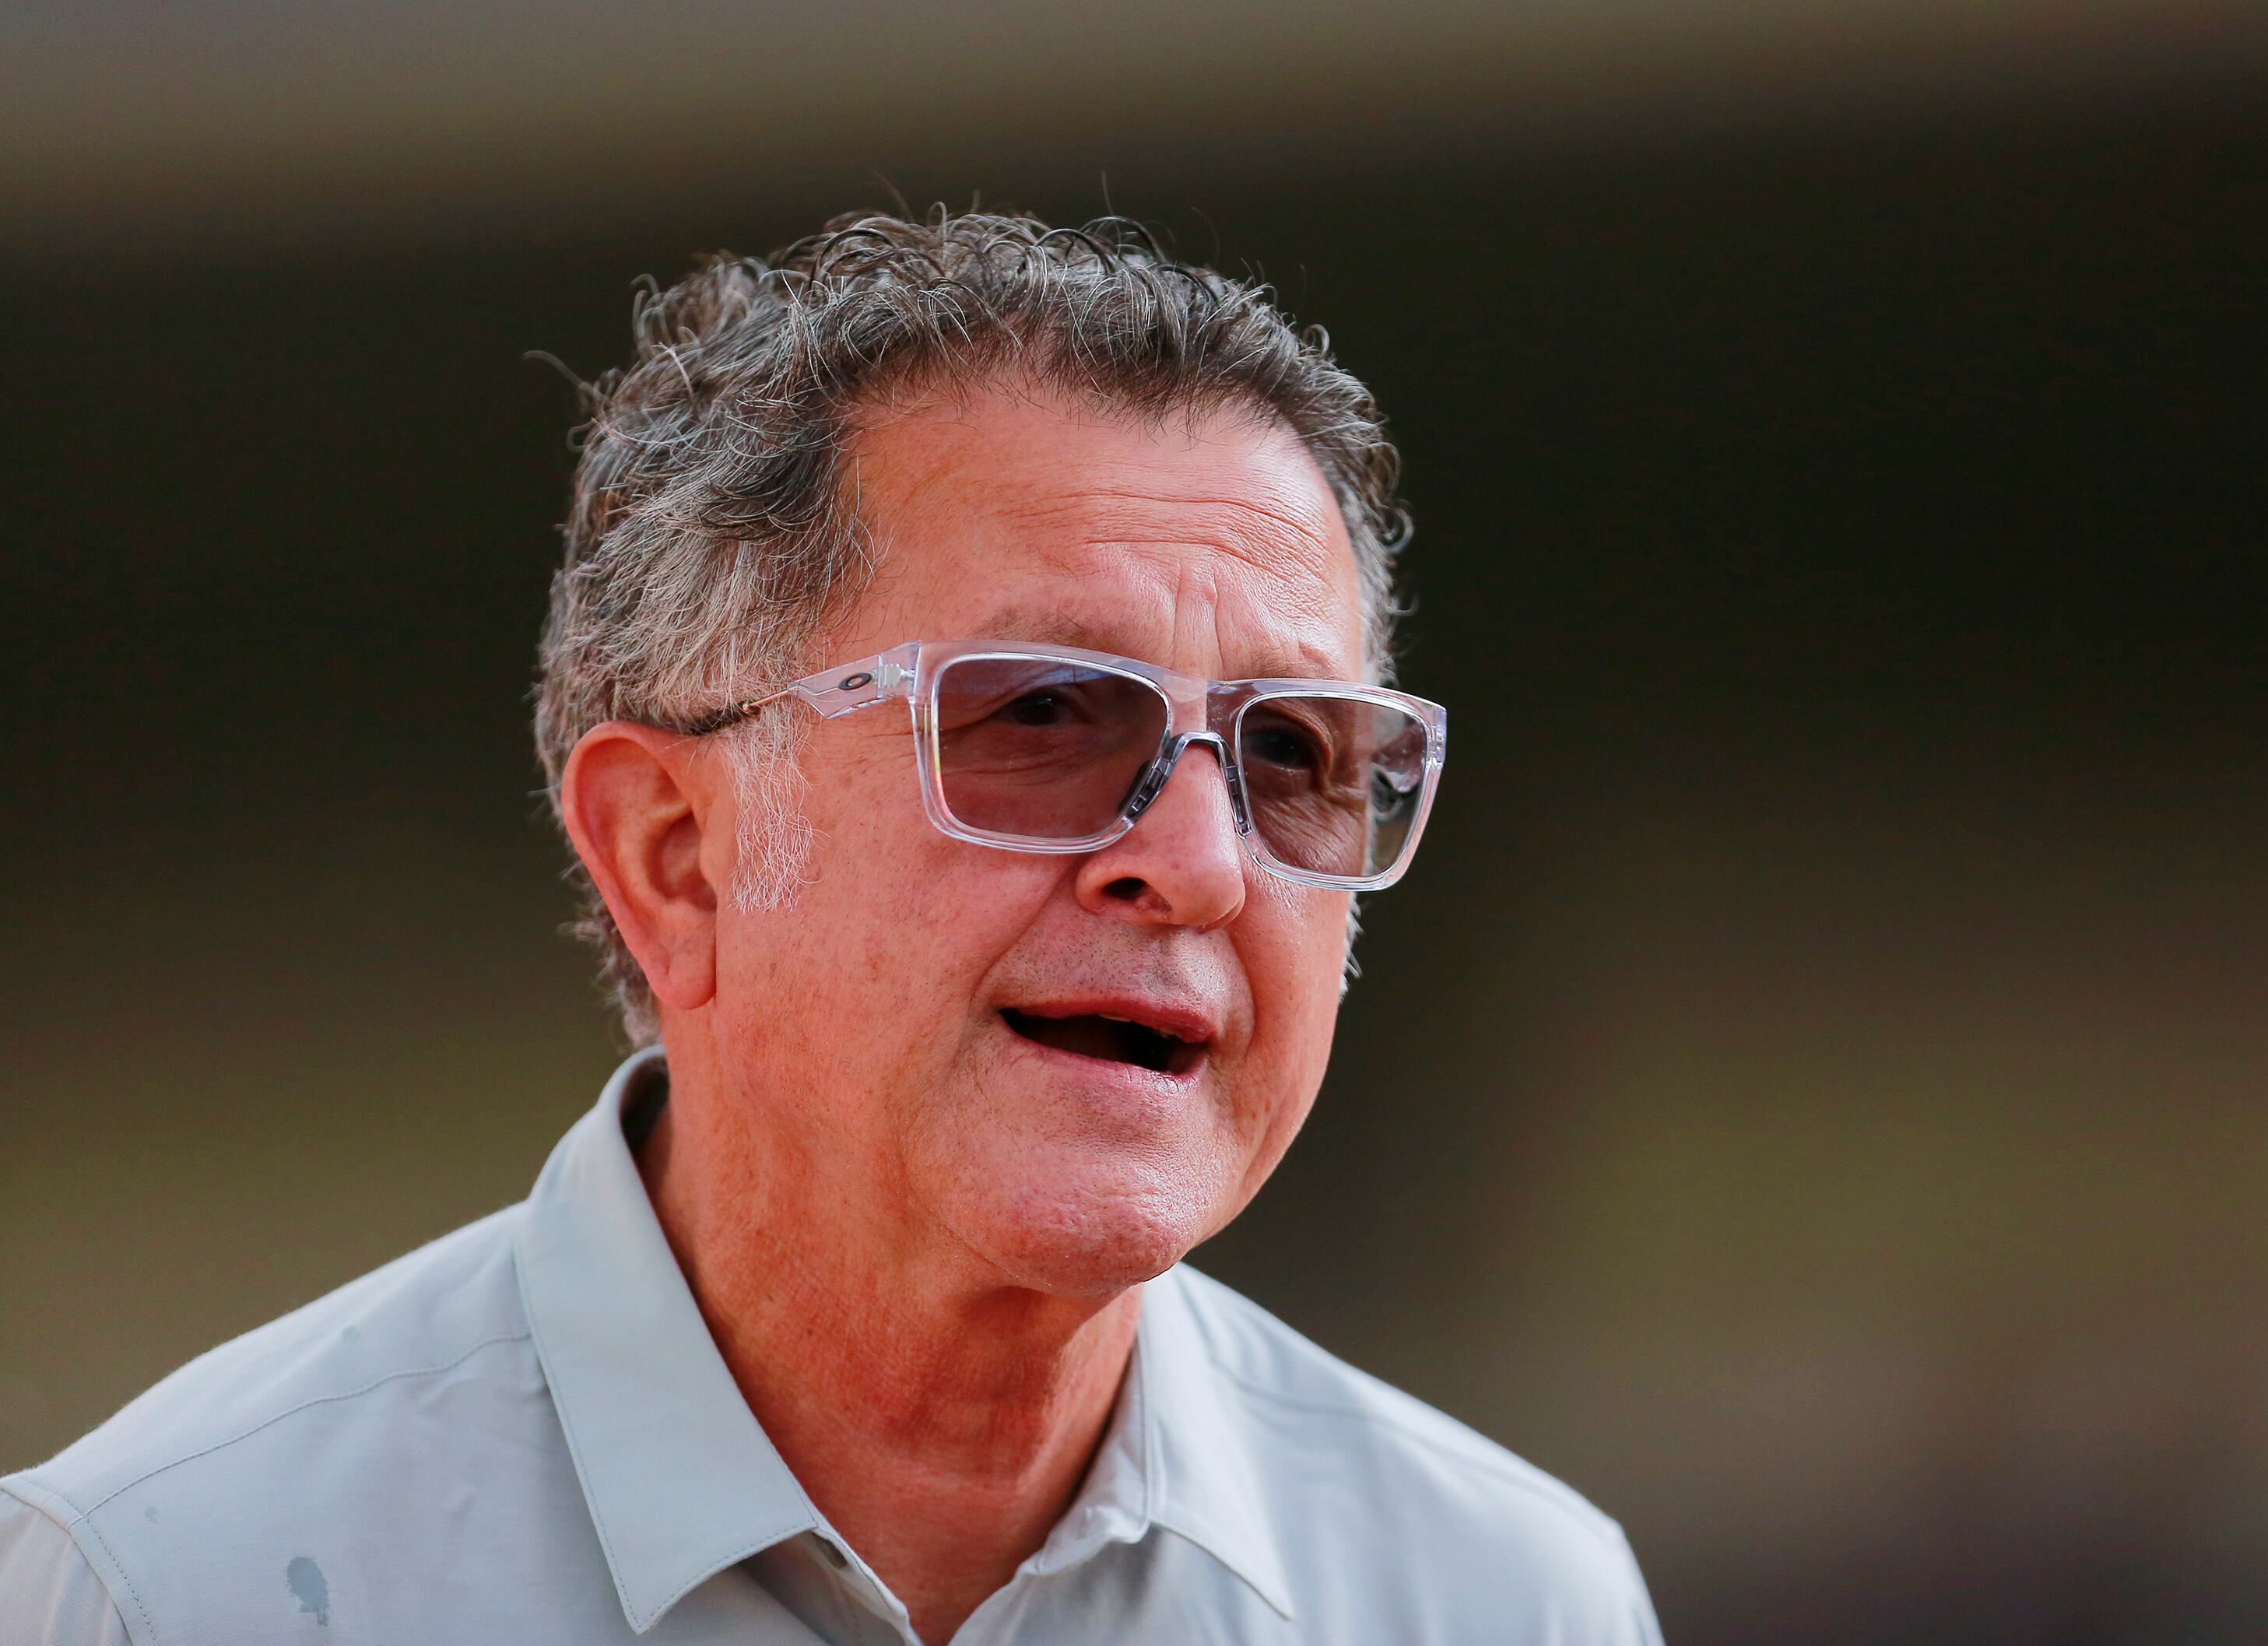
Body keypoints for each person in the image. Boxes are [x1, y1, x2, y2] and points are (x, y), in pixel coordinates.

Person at [0, 212, 1661, 1644]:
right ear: (675, 857)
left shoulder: (1499, 1596)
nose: (1203, 863)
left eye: (1295, 754)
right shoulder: (164, 1585)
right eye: (1045, 715)